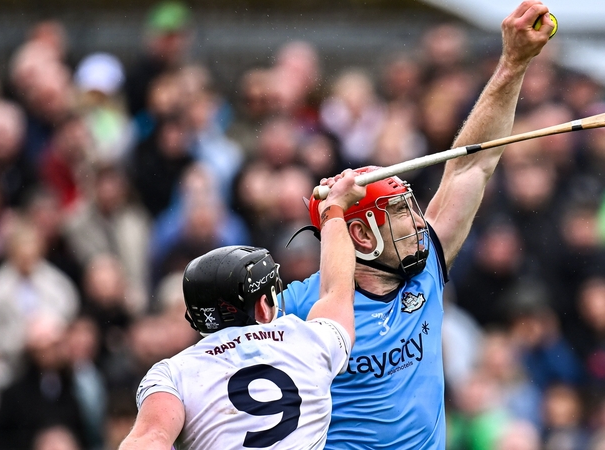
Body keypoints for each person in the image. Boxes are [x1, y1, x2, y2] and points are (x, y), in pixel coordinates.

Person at [281, 2, 555, 447]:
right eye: (397, 213)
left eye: (410, 207)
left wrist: (513, 63)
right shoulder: (295, 305)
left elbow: (472, 165)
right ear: (361, 235)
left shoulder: (425, 267)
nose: (416, 222)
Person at [118, 170, 365, 449]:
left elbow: (149, 439)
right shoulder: (309, 341)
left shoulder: (173, 372)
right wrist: (334, 209)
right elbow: (337, 290)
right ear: (261, 306)